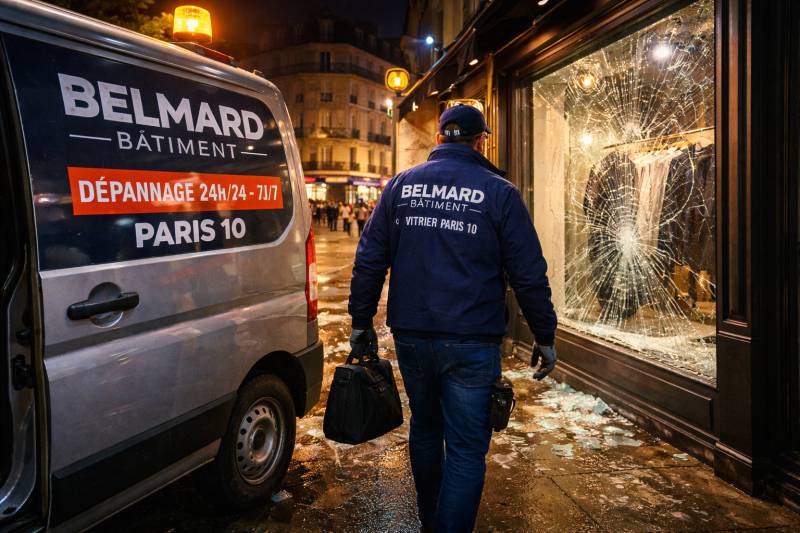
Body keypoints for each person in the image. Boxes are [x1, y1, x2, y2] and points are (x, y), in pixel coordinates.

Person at [347, 104, 557, 533]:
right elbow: (528, 273)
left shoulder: (401, 186)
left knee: (425, 428)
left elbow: (369, 259)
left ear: (440, 137)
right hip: (471, 340)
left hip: (413, 335)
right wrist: (544, 333)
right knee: (465, 448)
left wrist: (360, 321)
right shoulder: (498, 192)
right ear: (481, 142)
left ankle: (432, 522)